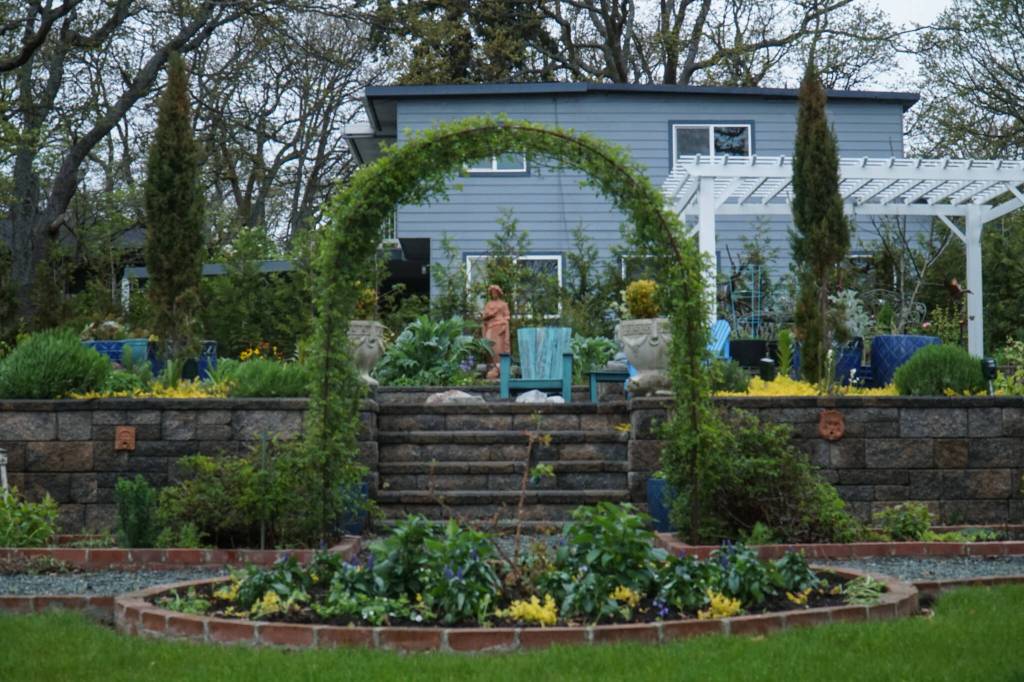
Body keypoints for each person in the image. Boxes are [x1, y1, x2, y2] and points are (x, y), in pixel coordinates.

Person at [481, 285, 511, 379]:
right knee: (490, 347)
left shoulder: (503, 304)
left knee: (499, 348)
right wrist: (490, 314)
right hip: (491, 327)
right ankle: (492, 366)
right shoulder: (488, 304)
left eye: (495, 292)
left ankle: (499, 367)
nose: (494, 294)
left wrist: (504, 323)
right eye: (492, 292)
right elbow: (484, 317)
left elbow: (507, 316)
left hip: (500, 328)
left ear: (498, 293)